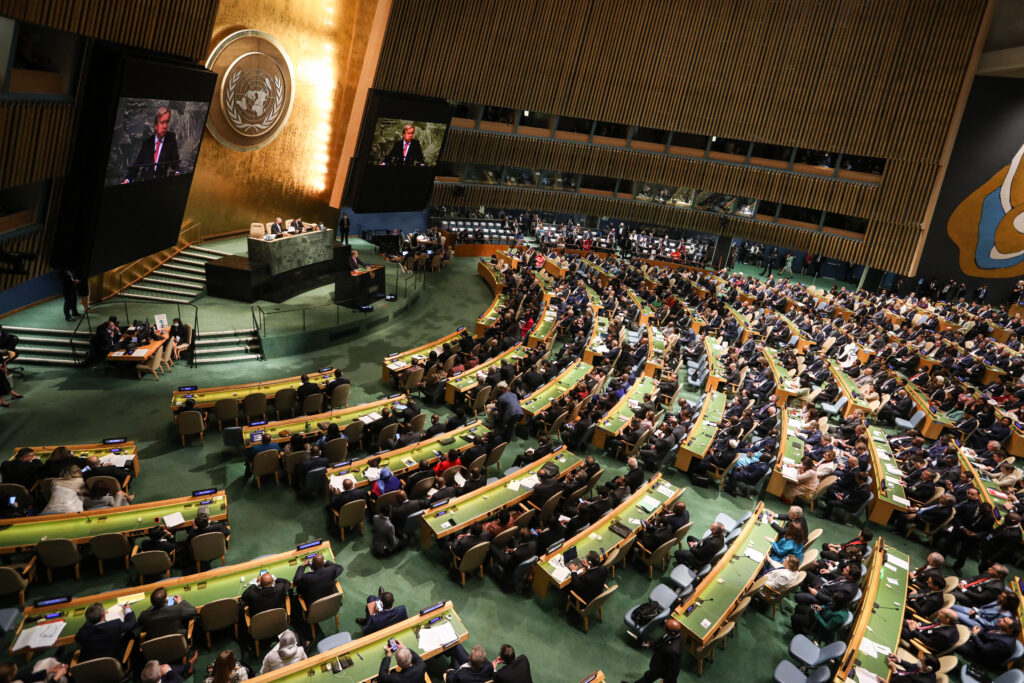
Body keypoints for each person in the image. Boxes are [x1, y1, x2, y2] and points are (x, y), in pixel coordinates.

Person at [124, 106, 180, 183]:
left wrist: (177, 172)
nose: (165, 126)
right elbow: (136, 165)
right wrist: (127, 180)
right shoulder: (147, 144)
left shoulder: (171, 139)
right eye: (162, 122)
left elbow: (175, 162)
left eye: (167, 122)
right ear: (155, 126)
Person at [626, 617, 683, 683]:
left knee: (648, 678)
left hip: (661, 668)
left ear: (672, 633)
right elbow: (662, 639)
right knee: (647, 678)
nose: (664, 627)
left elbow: (674, 669)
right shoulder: (674, 634)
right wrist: (650, 644)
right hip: (659, 663)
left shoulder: (674, 650)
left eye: (666, 627)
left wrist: (666, 681)